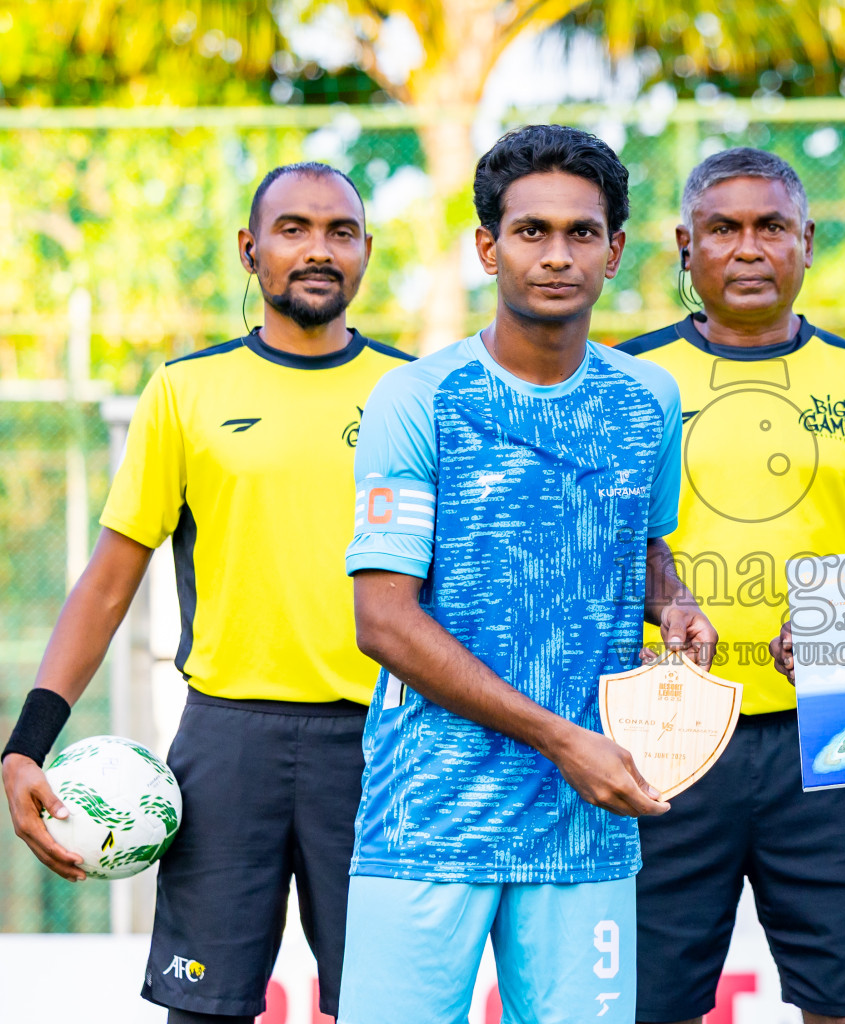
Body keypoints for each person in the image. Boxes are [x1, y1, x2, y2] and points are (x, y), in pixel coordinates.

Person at [1, 163, 408, 1024]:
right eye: (293, 228)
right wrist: (25, 745)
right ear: (249, 249)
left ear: (367, 251)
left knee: (390, 1009)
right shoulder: (186, 391)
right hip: (229, 741)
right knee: (204, 1010)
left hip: (385, 744)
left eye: (341, 231)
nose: (318, 249)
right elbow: (110, 583)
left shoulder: (421, 393)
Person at [336, 124, 717, 1024]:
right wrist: (560, 738)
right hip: (429, 816)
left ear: (616, 250)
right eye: (530, 232)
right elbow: (383, 621)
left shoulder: (649, 400)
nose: (556, 256)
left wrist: (677, 604)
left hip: (585, 823)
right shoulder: (419, 397)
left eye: (582, 233)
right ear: (486, 248)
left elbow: (643, 543)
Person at [617, 148, 845, 1024]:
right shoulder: (624, 383)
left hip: (838, 732)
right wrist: (660, 601)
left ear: (808, 242)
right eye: (724, 229)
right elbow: (594, 543)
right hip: (660, 741)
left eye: (771, 227)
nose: (749, 249)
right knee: (643, 1005)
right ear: (684, 245)